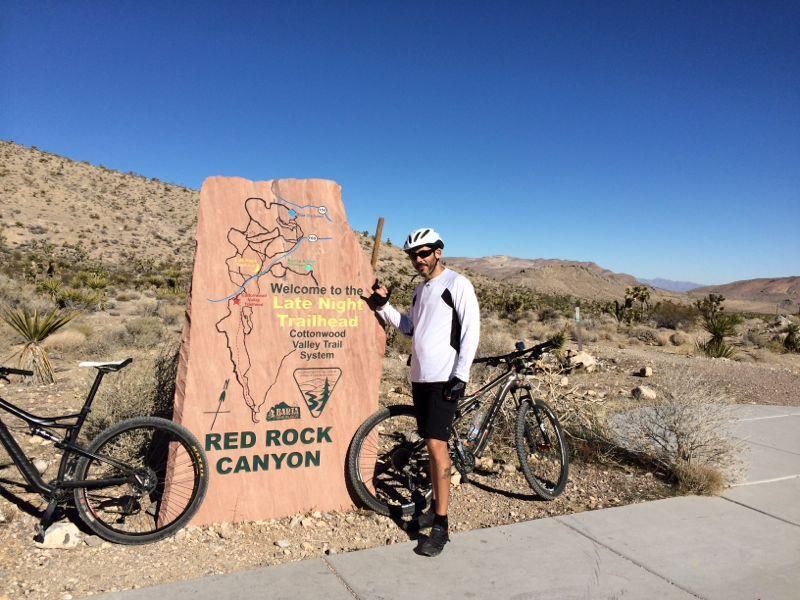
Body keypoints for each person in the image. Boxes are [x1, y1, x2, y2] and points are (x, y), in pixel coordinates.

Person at [367, 227, 480, 556]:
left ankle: (441, 525)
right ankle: (436, 508)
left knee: (435, 445)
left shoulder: (456, 284)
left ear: (438, 251)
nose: (419, 259)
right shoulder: (421, 291)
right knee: (433, 447)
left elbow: (471, 330)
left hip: (444, 377)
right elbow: (408, 327)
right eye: (414, 255)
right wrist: (383, 306)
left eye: (425, 253)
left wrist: (461, 374)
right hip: (420, 377)